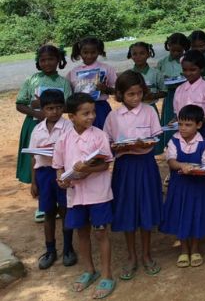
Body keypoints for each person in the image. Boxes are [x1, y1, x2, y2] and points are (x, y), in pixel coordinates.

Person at [52, 93, 115, 299]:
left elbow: (105, 164)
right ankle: (89, 270)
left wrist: (86, 168)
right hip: (75, 195)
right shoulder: (63, 139)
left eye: (93, 112)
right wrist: (62, 179)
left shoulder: (99, 135)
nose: (91, 117)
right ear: (71, 116)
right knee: (82, 233)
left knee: (101, 232)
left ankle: (107, 275)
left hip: (98, 194)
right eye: (85, 113)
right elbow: (58, 167)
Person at [103, 71, 163, 280]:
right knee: (128, 209)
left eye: (139, 93)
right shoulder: (113, 116)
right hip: (124, 166)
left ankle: (146, 255)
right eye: (130, 94)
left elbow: (156, 138)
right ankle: (132, 256)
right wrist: (119, 146)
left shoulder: (149, 111)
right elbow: (108, 144)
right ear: (120, 94)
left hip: (145, 164)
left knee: (145, 208)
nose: (135, 98)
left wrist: (144, 143)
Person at [160, 104, 205, 268]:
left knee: (196, 215)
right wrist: (182, 166)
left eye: (188, 124)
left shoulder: (203, 144)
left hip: (198, 188)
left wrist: (199, 169)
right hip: (180, 188)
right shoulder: (174, 141)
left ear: (198, 125)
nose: (183, 128)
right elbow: (171, 160)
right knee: (181, 214)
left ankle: (195, 248)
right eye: (181, 124)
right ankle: (183, 250)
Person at [29, 89, 76, 270]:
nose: (54, 112)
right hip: (44, 174)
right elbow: (33, 157)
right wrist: (34, 182)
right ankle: (50, 250)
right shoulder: (37, 129)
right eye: (49, 108)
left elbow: (72, 150)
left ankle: (68, 248)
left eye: (58, 107)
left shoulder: (68, 127)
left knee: (65, 210)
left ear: (63, 107)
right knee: (48, 213)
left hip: (62, 173)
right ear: (43, 110)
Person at [16, 45, 71, 186]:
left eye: (51, 59)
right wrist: (36, 112)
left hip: (57, 126)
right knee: (37, 158)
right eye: (43, 60)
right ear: (38, 62)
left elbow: (68, 106)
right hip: (34, 125)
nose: (47, 63)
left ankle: (58, 192)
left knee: (57, 157)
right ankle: (39, 190)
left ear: (58, 60)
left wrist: (48, 107)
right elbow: (19, 104)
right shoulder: (31, 80)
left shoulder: (63, 83)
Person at [68, 37, 117, 129]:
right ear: (80, 53)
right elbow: (70, 94)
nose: (89, 56)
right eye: (85, 53)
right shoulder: (73, 72)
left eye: (93, 52)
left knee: (104, 133)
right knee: (84, 136)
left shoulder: (106, 68)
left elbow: (117, 90)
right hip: (81, 109)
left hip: (101, 108)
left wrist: (106, 89)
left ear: (98, 51)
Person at [173, 50, 205, 134]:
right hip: (183, 130)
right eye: (185, 70)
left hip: (203, 128)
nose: (188, 73)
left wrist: (199, 122)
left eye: (193, 70)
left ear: (202, 69)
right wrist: (174, 121)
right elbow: (177, 113)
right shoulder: (179, 89)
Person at [158, 33, 190, 149]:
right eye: (173, 51)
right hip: (170, 94)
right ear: (168, 47)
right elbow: (160, 79)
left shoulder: (187, 60)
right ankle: (171, 145)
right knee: (170, 119)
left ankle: (187, 143)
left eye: (179, 51)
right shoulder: (162, 62)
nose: (176, 54)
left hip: (186, 94)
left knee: (185, 117)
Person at [128, 42, 166, 108]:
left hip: (150, 108)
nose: (138, 56)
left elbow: (165, 92)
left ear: (148, 55)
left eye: (142, 53)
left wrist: (152, 96)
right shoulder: (128, 74)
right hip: (132, 109)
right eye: (134, 54)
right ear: (131, 56)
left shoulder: (156, 73)